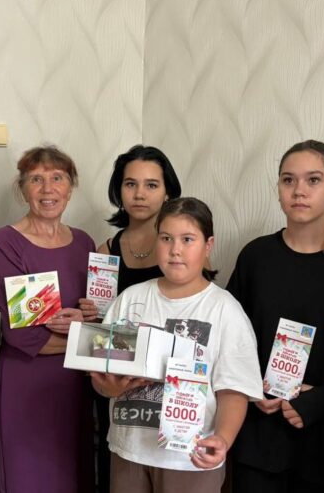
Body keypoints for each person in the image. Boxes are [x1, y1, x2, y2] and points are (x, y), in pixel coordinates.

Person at [91, 197, 264, 493]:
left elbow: (233, 390)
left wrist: (222, 439)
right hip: (129, 451)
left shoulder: (224, 309)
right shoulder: (129, 299)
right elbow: (100, 376)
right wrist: (110, 388)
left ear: (208, 245)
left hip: (190, 459)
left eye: (187, 239)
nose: (175, 250)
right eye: (166, 238)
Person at [228, 140, 324, 492]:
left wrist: (320, 399)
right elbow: (228, 342)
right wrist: (249, 388)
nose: (299, 191)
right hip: (258, 440)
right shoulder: (255, 257)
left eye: (313, 180)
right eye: (288, 180)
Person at [0, 146, 95, 493]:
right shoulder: (6, 243)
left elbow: (98, 318)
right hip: (28, 383)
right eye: (36, 179)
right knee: (30, 477)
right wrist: (87, 341)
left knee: (73, 474)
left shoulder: (84, 243)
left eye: (57, 178)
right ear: (22, 189)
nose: (48, 189)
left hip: (76, 383)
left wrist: (89, 321)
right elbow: (25, 336)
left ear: (70, 188)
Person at [77, 144, 182, 493]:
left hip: (167, 384)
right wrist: (91, 316)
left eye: (151, 185)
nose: (140, 194)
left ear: (167, 192)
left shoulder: (180, 248)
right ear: (118, 190)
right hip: (117, 383)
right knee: (117, 470)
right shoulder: (106, 251)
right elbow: (99, 333)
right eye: (130, 184)